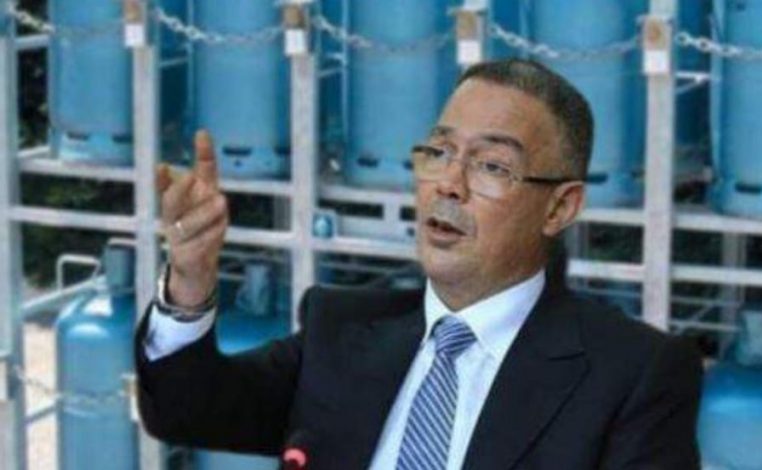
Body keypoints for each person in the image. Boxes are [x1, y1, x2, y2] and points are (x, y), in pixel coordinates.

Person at [135, 59, 702, 469]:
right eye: (439, 152)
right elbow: (185, 411)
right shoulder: (343, 329)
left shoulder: (632, 375)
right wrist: (190, 277)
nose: (449, 184)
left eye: (491, 166)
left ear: (559, 207)